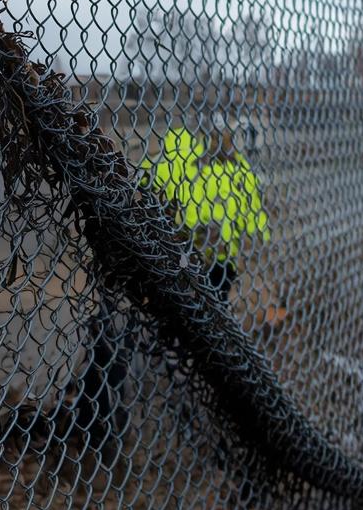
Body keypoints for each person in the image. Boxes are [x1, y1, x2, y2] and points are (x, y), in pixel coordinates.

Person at [73, 125, 269, 441]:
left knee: (141, 332)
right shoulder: (233, 170)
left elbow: (143, 199)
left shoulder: (173, 160)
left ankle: (112, 420)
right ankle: (186, 401)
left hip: (171, 266)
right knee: (195, 339)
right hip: (201, 268)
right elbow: (258, 223)